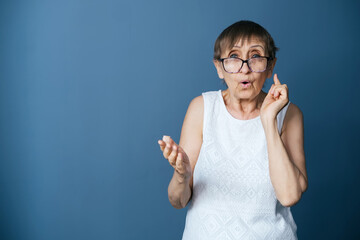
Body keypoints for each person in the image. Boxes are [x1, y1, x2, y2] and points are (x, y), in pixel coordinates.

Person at [157, 20, 308, 239]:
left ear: (270, 67)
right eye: (234, 57)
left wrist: (268, 120)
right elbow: (178, 201)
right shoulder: (201, 108)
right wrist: (183, 175)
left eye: (255, 57)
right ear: (219, 68)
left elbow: (289, 196)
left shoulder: (290, 114)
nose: (245, 69)